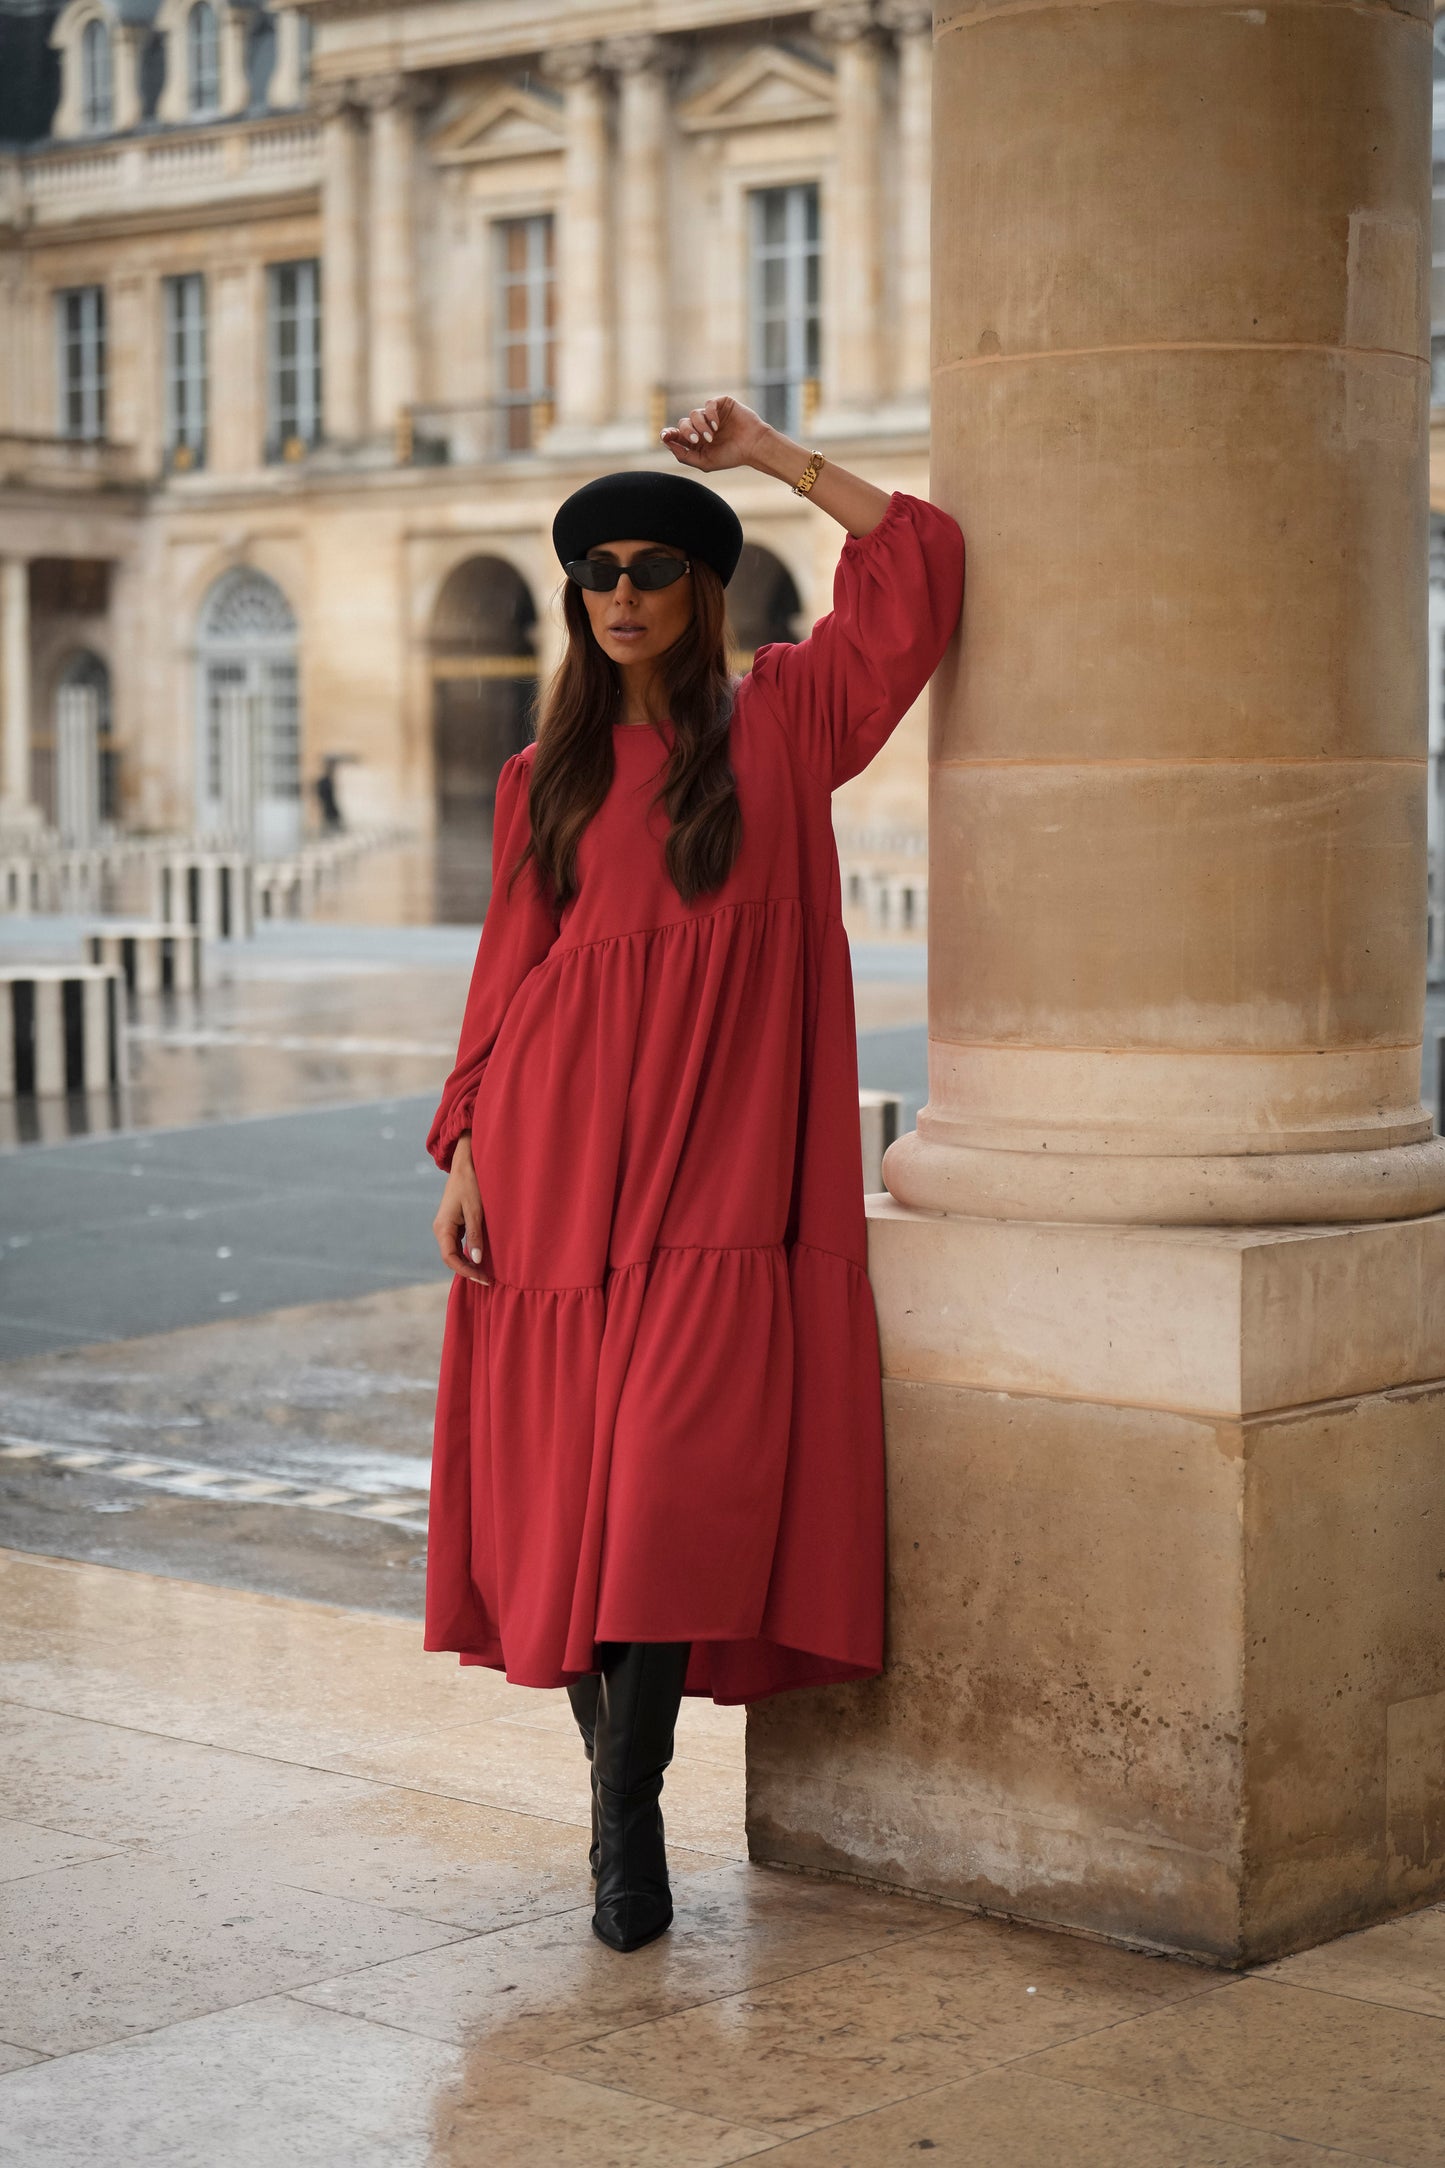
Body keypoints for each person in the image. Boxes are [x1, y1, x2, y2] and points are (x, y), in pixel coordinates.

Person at [426, 393, 965, 1954]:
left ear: (701, 588)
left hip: (720, 1169)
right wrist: (463, 1145)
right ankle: (627, 1815)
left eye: (650, 566)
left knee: (659, 1488)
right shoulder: (548, 775)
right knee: (570, 1499)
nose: (619, 594)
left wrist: (771, 459)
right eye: (593, 573)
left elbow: (917, 560)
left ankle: (620, 1802)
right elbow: (507, 972)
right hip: (551, 1161)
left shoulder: (784, 722)